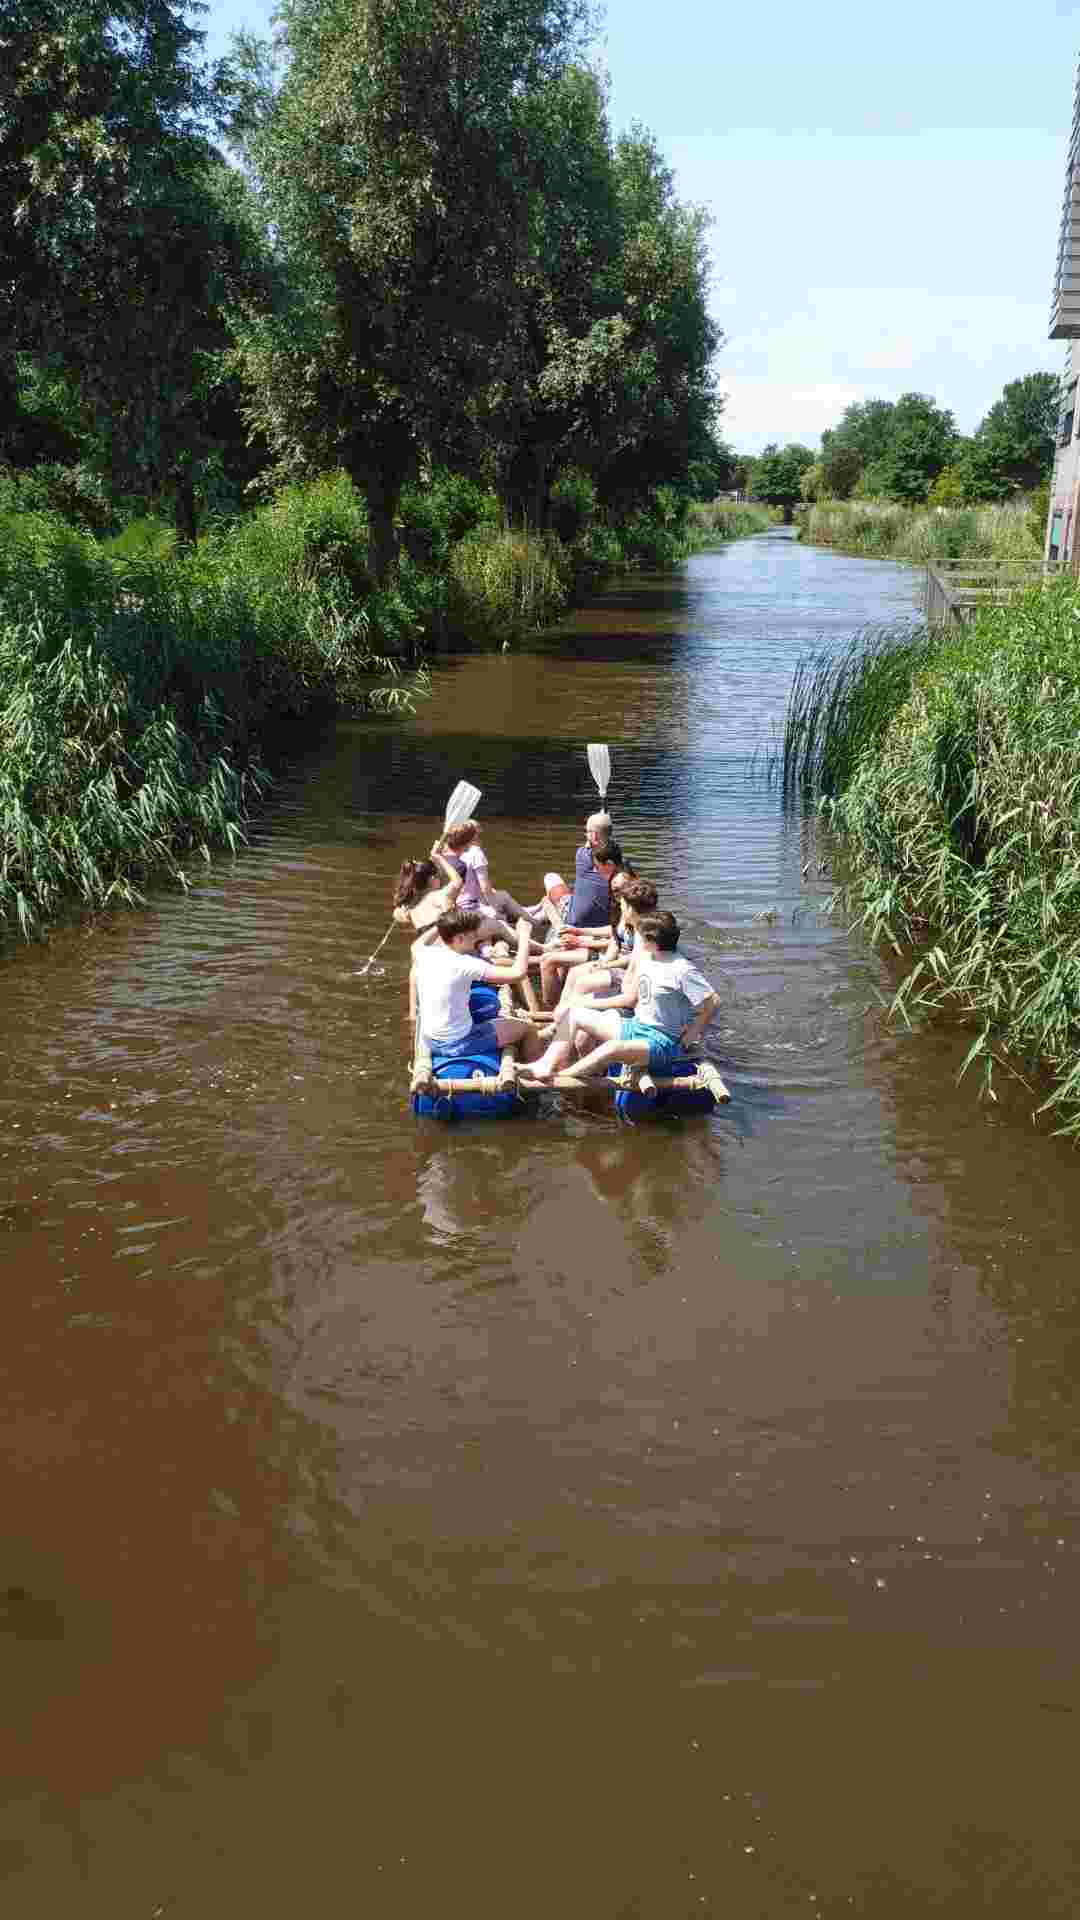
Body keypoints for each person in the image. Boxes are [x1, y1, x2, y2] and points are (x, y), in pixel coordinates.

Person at [527, 910, 718, 1083]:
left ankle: (561, 1077)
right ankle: (545, 1064)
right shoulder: (649, 957)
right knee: (574, 1014)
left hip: (662, 1042)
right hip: (637, 1026)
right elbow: (631, 994)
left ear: (651, 941)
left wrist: (693, 1032)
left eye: (639, 936)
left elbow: (713, 1002)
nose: (636, 939)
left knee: (612, 1049)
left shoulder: (682, 969)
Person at [412, 909, 546, 1063]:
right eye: (473, 935)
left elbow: (417, 944)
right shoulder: (465, 964)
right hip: (458, 1043)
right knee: (528, 1029)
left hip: (431, 1040)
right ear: (459, 938)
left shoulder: (424, 953)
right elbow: (518, 973)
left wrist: (441, 924)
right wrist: (524, 936)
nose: (476, 938)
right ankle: (538, 1075)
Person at [538, 864, 642, 1009]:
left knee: (552, 962)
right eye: (615, 891)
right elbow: (614, 937)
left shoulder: (637, 912)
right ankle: (557, 1012)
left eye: (623, 888)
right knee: (564, 967)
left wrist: (582, 942)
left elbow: (632, 952)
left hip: (618, 964)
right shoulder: (622, 907)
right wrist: (580, 931)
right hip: (607, 955)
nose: (619, 894)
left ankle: (558, 1012)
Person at [558, 876, 659, 1007]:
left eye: (623, 905)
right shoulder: (634, 922)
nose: (621, 907)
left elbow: (633, 961)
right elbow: (615, 941)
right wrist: (605, 962)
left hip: (627, 975)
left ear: (630, 908)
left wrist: (606, 965)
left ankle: (564, 1017)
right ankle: (558, 1016)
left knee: (583, 982)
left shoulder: (644, 932)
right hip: (621, 969)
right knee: (574, 973)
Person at [440, 822, 543, 925]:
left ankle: (527, 912)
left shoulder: (446, 854)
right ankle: (533, 920)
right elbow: (485, 888)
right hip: (471, 903)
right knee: (501, 908)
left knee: (502, 895)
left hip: (460, 900)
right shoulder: (476, 853)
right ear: (473, 836)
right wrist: (495, 909)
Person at [537, 813, 621, 933]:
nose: (586, 834)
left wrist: (592, 838)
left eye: (587, 832)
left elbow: (590, 847)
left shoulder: (582, 855)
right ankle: (543, 912)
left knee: (550, 877)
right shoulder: (622, 865)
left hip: (576, 923)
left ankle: (543, 912)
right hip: (606, 925)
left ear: (595, 836)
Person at [392, 842, 463, 933]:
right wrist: (439, 858)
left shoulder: (408, 910)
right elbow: (457, 881)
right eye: (438, 876)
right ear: (432, 879)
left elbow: (397, 914)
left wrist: (435, 857)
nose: (440, 878)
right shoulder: (438, 896)